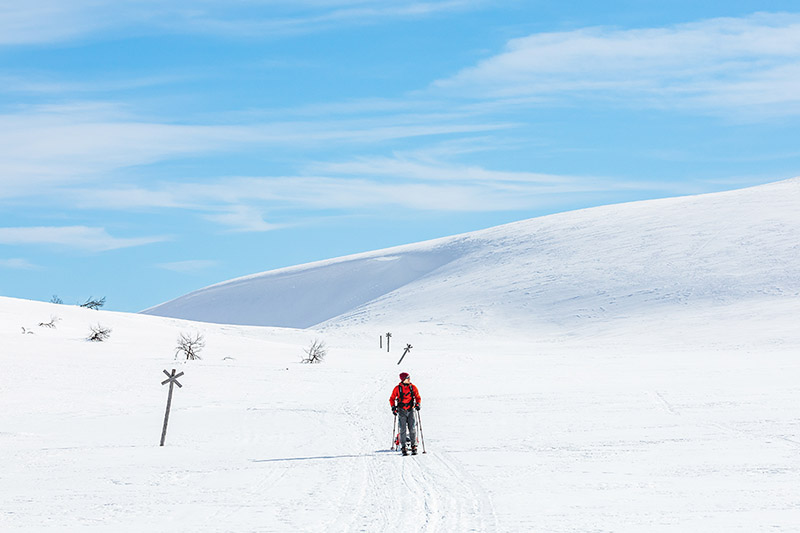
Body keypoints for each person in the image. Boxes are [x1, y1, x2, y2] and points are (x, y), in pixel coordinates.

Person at [390, 372, 421, 455]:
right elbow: (392, 399)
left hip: (411, 409)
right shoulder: (397, 388)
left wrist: (418, 404)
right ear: (403, 379)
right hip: (401, 410)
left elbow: (418, 397)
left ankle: (414, 446)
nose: (409, 379)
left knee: (412, 428)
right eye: (408, 378)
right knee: (402, 429)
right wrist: (393, 407)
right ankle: (404, 447)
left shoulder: (413, 387)